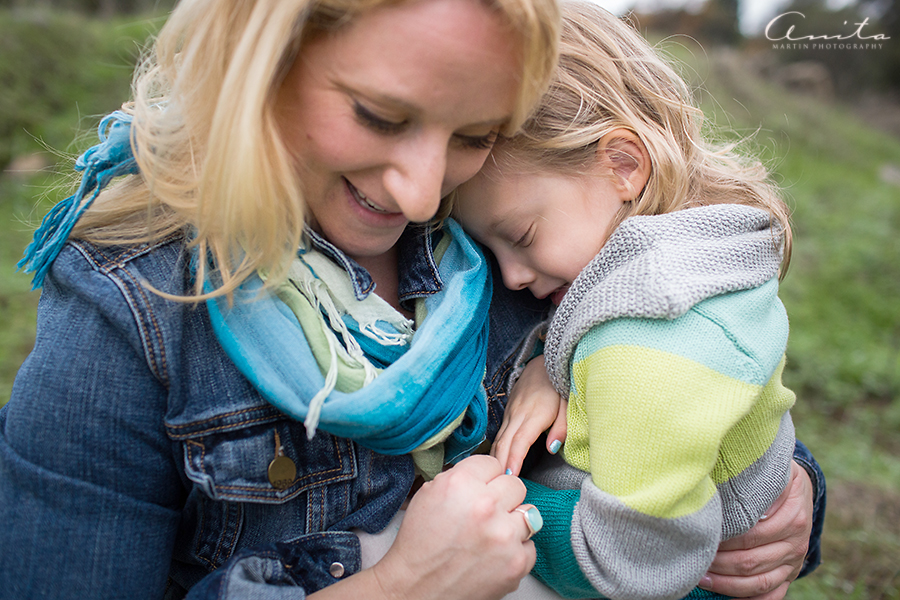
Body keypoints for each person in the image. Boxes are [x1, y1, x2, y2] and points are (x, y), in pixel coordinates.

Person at [0, 2, 822, 600]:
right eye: (379, 115)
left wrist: (794, 502)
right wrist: (405, 587)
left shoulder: (520, 240)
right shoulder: (131, 307)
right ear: (263, 59)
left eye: (474, 135)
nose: (425, 193)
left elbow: (692, 403)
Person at [454, 3, 823, 599]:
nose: (513, 277)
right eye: (488, 249)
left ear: (623, 166)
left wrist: (502, 517)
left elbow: (633, 563)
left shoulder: (648, 349)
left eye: (521, 236)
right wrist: (561, 366)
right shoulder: (696, 262)